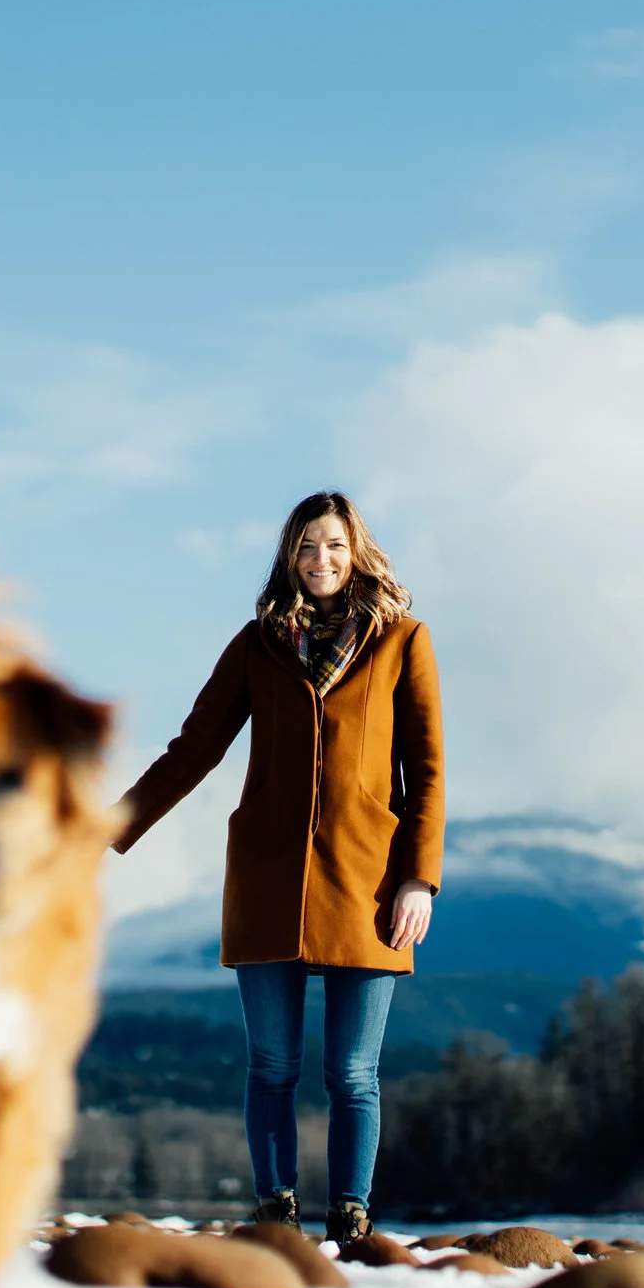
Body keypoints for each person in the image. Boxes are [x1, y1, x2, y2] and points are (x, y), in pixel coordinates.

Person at [112, 491, 443, 1243]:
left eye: (331, 545)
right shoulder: (256, 644)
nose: (319, 560)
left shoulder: (403, 642)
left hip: (372, 883)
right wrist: (110, 824)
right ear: (288, 558)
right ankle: (275, 1209)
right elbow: (194, 748)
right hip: (267, 880)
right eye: (305, 547)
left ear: (355, 550)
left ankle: (351, 1215)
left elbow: (427, 771)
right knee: (271, 1065)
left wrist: (420, 876)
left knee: (354, 1075)